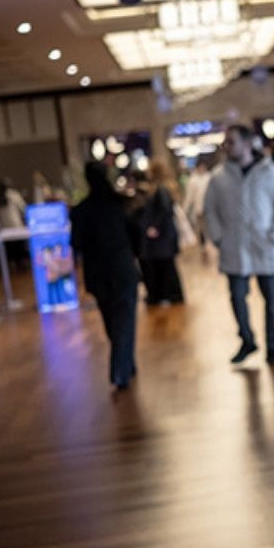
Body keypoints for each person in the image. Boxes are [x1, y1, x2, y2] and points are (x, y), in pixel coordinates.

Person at [204, 124, 274, 367]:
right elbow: (209, 210)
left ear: (247, 143)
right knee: (237, 297)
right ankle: (247, 339)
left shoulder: (270, 172)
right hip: (234, 247)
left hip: (265, 244)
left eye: (232, 141)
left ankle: (273, 348)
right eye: (226, 142)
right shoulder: (219, 177)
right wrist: (218, 237)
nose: (227, 146)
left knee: (272, 300)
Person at [70, 161, 140, 390]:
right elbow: (135, 235)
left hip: (97, 271)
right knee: (124, 318)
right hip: (121, 268)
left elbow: (76, 243)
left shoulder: (81, 210)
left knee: (111, 319)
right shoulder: (119, 204)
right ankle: (121, 367)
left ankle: (125, 364)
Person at [134, 162, 185, 305]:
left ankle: (170, 295)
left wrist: (154, 227)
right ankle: (169, 294)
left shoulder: (160, 189)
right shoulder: (163, 188)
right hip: (164, 236)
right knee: (165, 266)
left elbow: (164, 210)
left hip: (161, 237)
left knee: (165, 266)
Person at [181, 159, 214, 259]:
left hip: (212, 210)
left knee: (212, 229)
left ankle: (212, 247)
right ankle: (204, 249)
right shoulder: (193, 180)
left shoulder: (211, 177)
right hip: (200, 210)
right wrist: (184, 210)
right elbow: (189, 197)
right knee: (202, 231)